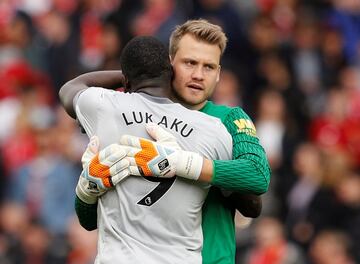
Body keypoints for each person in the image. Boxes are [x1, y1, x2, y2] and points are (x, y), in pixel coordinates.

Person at [68, 19, 271, 264]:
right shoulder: (128, 113)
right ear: (170, 64)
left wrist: (186, 164)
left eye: (209, 67)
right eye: (190, 63)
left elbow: (253, 201)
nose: (198, 75)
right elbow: (90, 220)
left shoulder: (227, 120)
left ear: (219, 74)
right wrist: (87, 191)